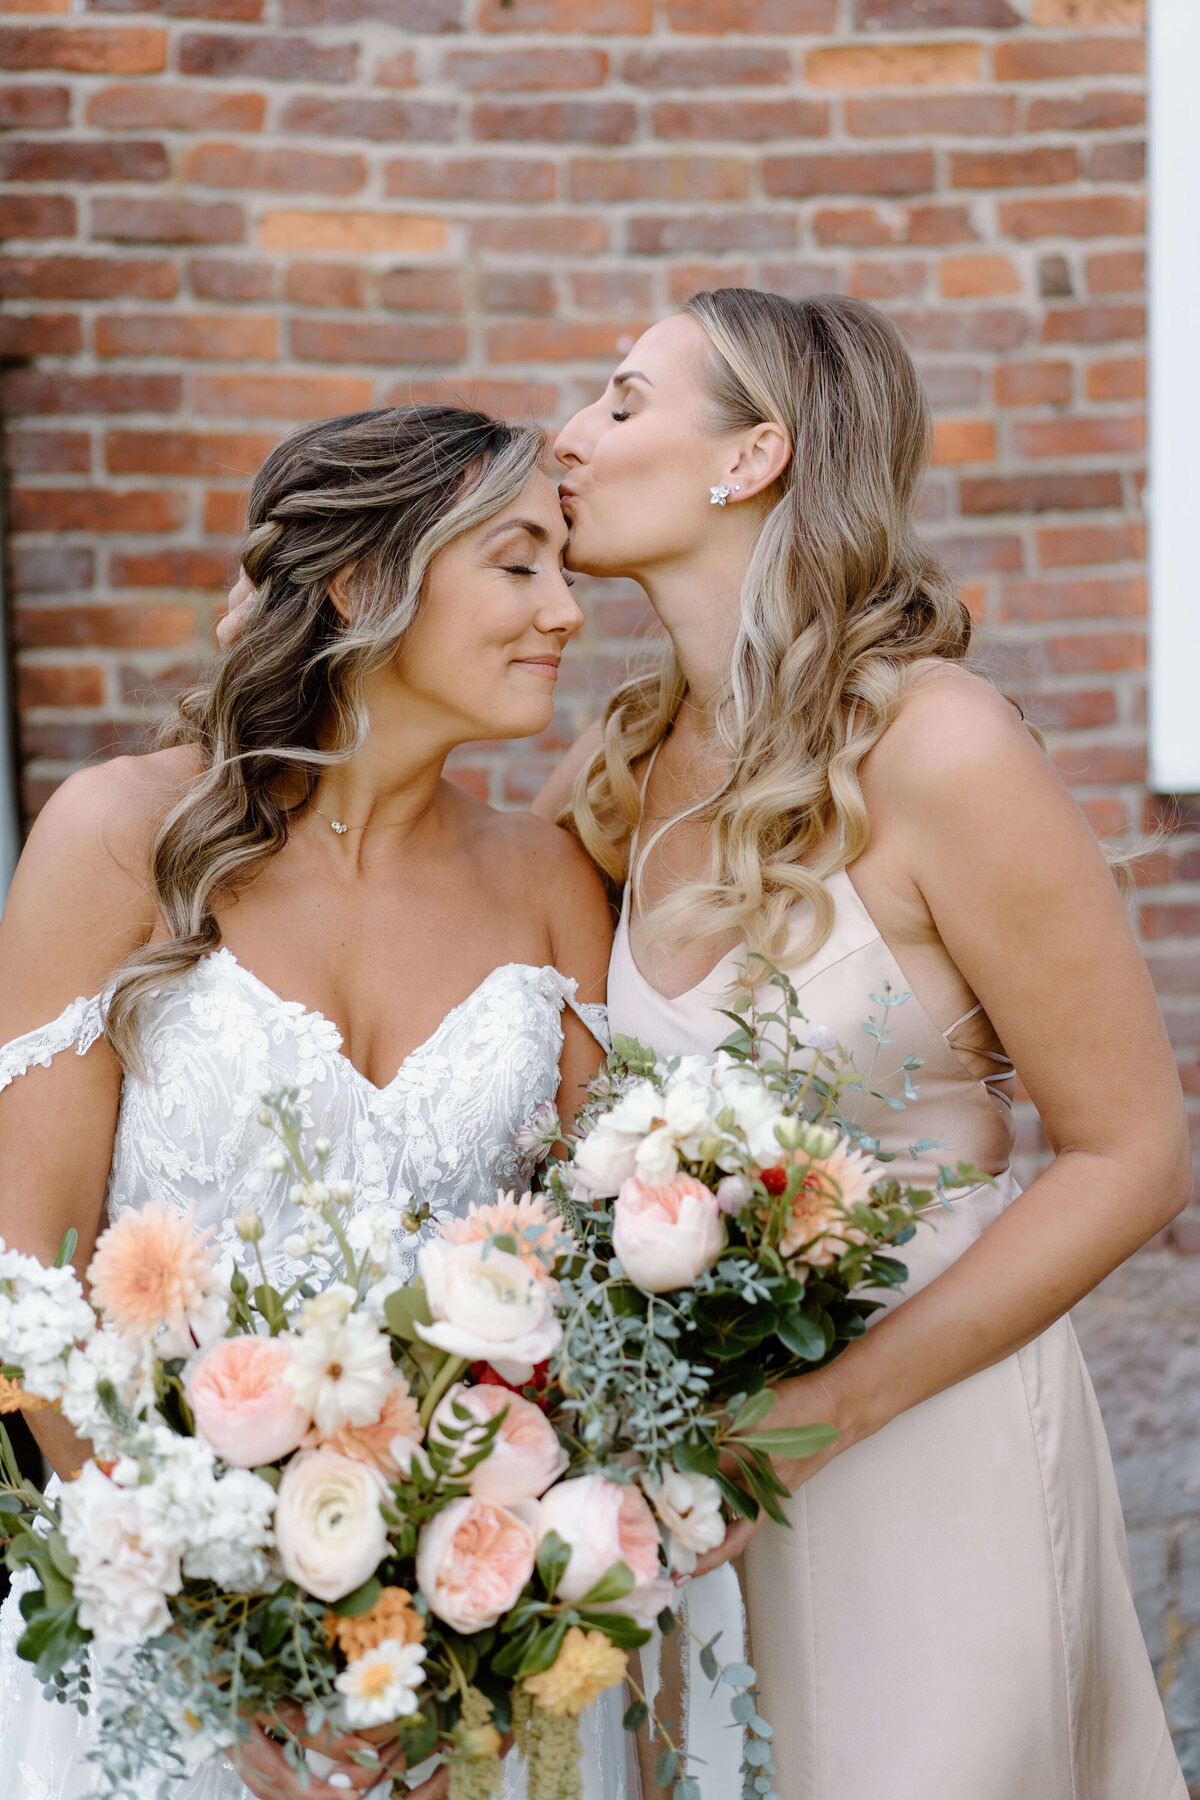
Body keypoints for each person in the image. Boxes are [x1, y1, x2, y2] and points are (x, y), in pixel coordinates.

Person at [529, 289, 1189, 1799]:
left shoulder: (940, 745)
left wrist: (813, 1425)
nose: (567, 440)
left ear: (751, 456)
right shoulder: (618, 769)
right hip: (705, 1466)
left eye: (622, 403)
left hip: (924, 1436)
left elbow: (1134, 1156)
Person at [0, 406, 623, 1800]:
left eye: (567, 568)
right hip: (161, 1650)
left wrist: (470, 1610)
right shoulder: (122, 839)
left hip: (454, 1656)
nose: (568, 612)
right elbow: (23, 1273)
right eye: (519, 564)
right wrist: (215, 1637)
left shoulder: (549, 882)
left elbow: (585, 1302)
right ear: (359, 583)